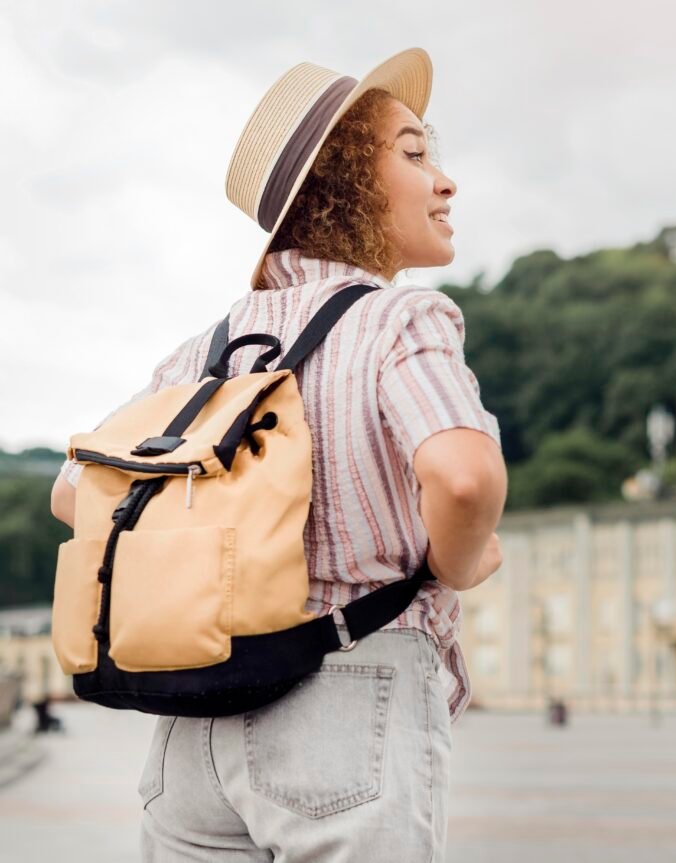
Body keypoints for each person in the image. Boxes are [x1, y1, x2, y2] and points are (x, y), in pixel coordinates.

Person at [48, 48, 507, 861]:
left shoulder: (200, 355)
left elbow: (70, 493)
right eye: (413, 152)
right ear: (346, 186)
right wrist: (463, 563)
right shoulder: (399, 321)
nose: (445, 180)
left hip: (191, 723)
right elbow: (465, 477)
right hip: (346, 689)